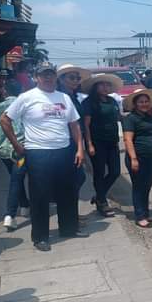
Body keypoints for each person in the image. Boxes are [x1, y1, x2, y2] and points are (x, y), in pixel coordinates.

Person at [1, 63, 87, 252]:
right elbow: (5, 120)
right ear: (36, 77)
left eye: (50, 74)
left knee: (68, 191)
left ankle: (69, 228)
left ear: (55, 77)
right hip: (38, 152)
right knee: (40, 196)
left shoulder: (64, 97)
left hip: (64, 150)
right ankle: (40, 237)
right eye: (43, 75)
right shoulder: (27, 97)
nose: (48, 78)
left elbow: (74, 125)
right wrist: (16, 145)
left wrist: (80, 149)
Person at [0, 79, 29, 231]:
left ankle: (25, 206)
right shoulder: (24, 105)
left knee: (16, 177)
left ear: (5, 91)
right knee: (16, 179)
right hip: (20, 151)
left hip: (4, 152)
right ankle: (10, 215)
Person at [82, 73, 124, 218]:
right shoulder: (89, 103)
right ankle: (102, 202)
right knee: (99, 172)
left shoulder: (112, 101)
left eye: (108, 85)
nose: (105, 87)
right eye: (102, 85)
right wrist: (89, 144)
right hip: (97, 142)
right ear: (95, 86)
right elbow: (86, 125)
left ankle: (99, 195)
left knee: (115, 172)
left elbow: (118, 117)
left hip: (112, 141)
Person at [122, 88, 152, 228]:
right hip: (138, 158)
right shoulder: (130, 118)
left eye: (146, 101)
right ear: (135, 104)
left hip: (150, 158)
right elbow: (127, 139)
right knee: (139, 187)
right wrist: (133, 158)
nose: (144, 104)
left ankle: (145, 213)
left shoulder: (148, 116)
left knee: (146, 187)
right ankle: (140, 216)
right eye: (141, 102)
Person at [57, 63, 91, 210]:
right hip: (66, 142)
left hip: (76, 140)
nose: (76, 81)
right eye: (72, 78)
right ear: (62, 79)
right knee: (74, 178)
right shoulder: (61, 97)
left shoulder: (74, 96)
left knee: (77, 177)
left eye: (77, 78)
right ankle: (69, 211)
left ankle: (71, 211)